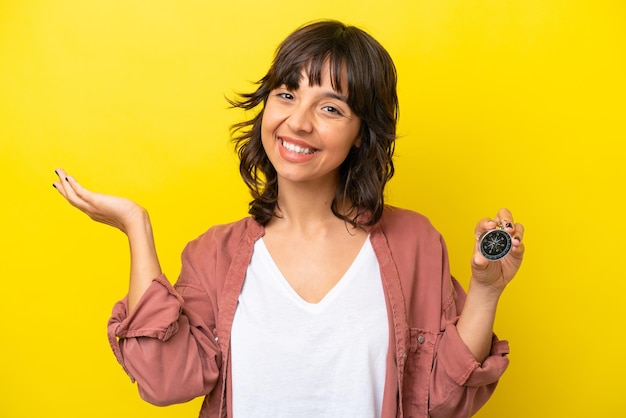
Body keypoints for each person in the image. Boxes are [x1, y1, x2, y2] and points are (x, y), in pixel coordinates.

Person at [53, 19, 525, 418]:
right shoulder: (213, 255)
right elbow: (162, 380)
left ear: (363, 134)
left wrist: (485, 292)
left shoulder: (413, 242)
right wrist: (137, 227)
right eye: (286, 95)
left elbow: (440, 399)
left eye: (330, 108)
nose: (299, 122)